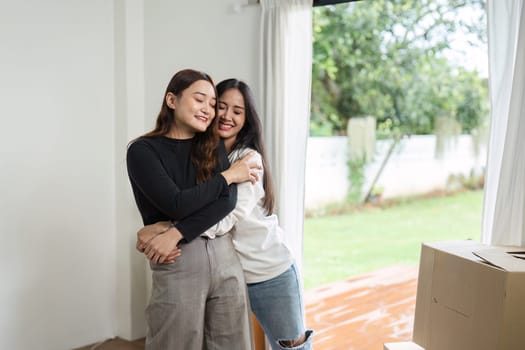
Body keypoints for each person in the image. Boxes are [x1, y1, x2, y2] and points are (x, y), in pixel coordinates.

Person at [138, 78, 314, 349]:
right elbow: (189, 202)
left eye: (237, 111)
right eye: (220, 106)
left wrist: (170, 232)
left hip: (268, 271)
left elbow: (226, 216)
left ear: (247, 119)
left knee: (290, 345)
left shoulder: (248, 159)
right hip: (232, 271)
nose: (226, 116)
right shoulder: (207, 156)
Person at [126, 69, 260, 350]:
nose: (209, 110)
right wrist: (228, 177)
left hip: (224, 255)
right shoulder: (143, 151)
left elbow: (227, 203)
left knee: (232, 344)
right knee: (175, 343)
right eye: (201, 100)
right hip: (178, 259)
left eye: (212, 104)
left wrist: (176, 231)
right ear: (172, 100)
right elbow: (176, 203)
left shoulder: (212, 146)